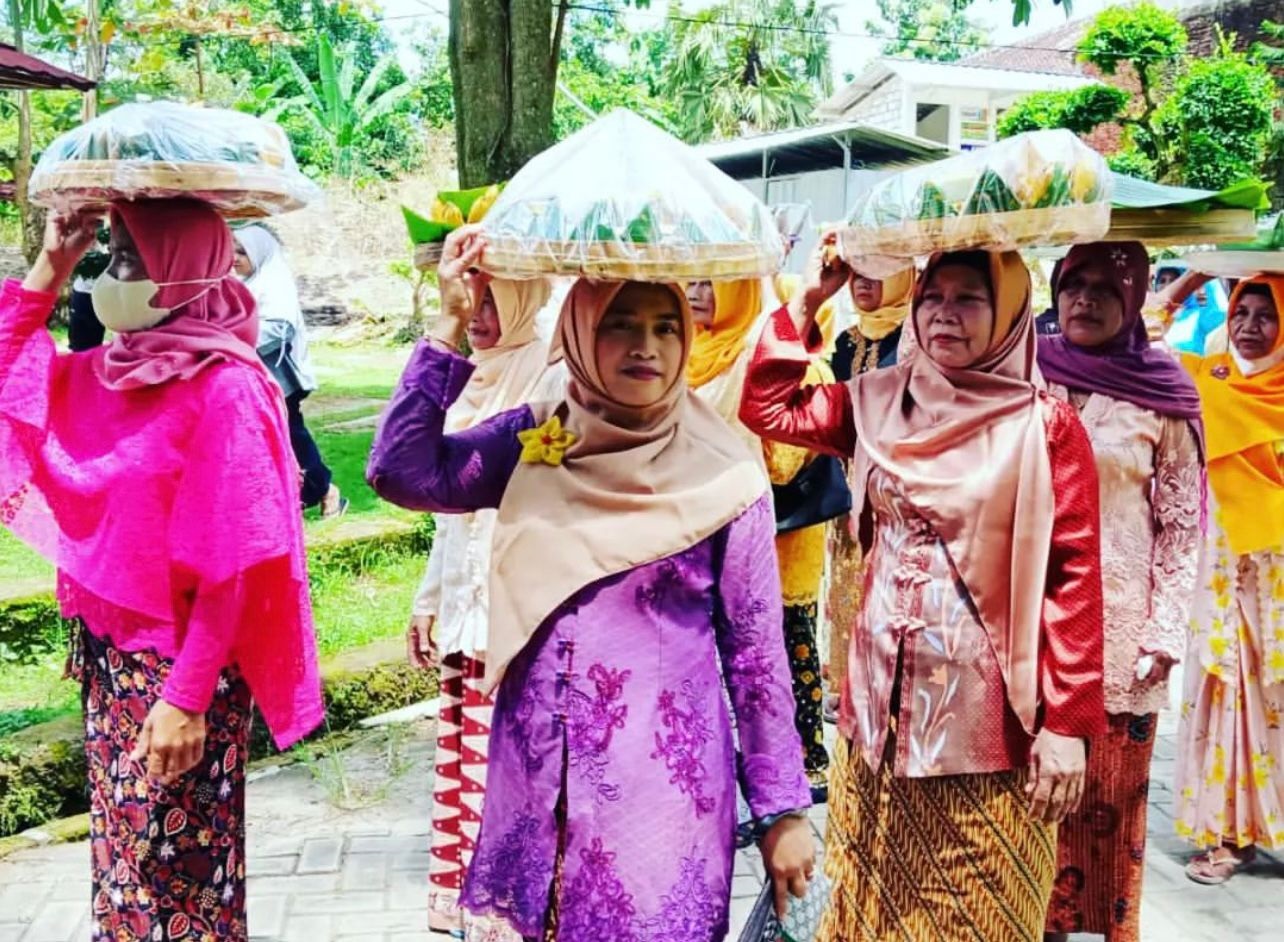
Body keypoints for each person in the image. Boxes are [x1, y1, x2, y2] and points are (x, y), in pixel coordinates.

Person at [368, 226, 815, 941]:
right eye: (619, 325)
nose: (647, 346)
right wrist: (448, 326)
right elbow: (404, 472)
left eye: (667, 326)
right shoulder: (540, 437)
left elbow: (758, 661)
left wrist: (783, 812)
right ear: (578, 333)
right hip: (540, 781)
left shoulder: (726, 476)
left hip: (660, 800)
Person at [740, 245, 1107, 941]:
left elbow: (1074, 579)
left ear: (1007, 313)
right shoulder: (880, 400)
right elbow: (769, 408)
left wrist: (1068, 725)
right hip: (875, 721)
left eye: (969, 299)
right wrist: (810, 300)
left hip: (987, 731)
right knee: (867, 907)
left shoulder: (1046, 427)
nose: (945, 314)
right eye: (933, 297)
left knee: (973, 911)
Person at [0, 201, 323, 940]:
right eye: (109, 260)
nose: (112, 280)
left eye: (132, 263)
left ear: (188, 273)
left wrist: (187, 696)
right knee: (124, 871)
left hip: (180, 671)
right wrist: (53, 263)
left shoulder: (229, 388)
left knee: (173, 872)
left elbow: (234, 562)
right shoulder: (103, 374)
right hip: (113, 663)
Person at [1037, 242, 1205, 941]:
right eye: (1074, 285)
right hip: (1030, 623)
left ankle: (1111, 928)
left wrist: (1164, 633)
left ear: (1134, 299)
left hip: (1121, 635)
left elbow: (1181, 526)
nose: (1086, 301)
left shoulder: (1162, 391)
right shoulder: (1026, 372)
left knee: (1110, 804)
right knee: (1037, 802)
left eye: (1107, 288)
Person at [405, 272, 561, 939]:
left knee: (514, 780)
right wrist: (427, 600)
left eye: (495, 299)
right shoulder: (463, 376)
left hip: (518, 622)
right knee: (468, 770)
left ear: (527, 299)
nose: (479, 315)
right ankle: (473, 911)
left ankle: (513, 913)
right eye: (472, 300)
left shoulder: (550, 379)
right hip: (468, 619)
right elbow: (445, 511)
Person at [691, 276, 832, 800]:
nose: (695, 291)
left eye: (711, 282)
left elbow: (787, 451)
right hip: (691, 534)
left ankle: (789, 781)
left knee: (771, 663)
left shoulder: (760, 351)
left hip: (760, 531)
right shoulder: (682, 349)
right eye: (691, 280)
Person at [1175, 273, 1284, 884]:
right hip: (1217, 570)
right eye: (1240, 311)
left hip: (1276, 577)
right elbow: (1143, 333)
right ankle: (1229, 834)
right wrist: (1190, 279)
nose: (1248, 325)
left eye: (1265, 315)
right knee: (1225, 693)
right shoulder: (1206, 380)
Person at [822, 265, 914, 725]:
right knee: (845, 585)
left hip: (896, 493)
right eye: (857, 271)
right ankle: (844, 680)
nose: (863, 280)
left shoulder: (914, 340)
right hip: (847, 487)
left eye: (878, 271)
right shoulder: (843, 342)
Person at [233, 224, 346, 517]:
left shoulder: (274, 281)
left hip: (279, 381)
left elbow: (280, 328)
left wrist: (235, 344)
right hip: (256, 377)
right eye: (233, 250)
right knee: (273, 437)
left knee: (291, 435)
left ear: (259, 253)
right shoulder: (250, 282)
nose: (235, 258)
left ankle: (322, 489)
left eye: (242, 251)